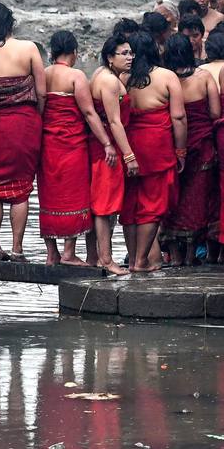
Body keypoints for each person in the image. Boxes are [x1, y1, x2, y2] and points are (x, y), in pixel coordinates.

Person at [0, 2, 44, 261]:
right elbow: (42, 91)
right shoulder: (28, 49)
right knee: (21, 189)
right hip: (25, 125)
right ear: (10, 23)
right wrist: (40, 118)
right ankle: (17, 248)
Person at [38, 31, 110, 265]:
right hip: (71, 145)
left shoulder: (43, 74)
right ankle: (69, 253)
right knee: (73, 196)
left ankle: (52, 253)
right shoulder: (76, 76)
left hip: (47, 145)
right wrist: (106, 142)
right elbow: (89, 113)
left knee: (49, 196)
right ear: (74, 52)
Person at [120, 31, 187, 272]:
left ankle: (133, 257)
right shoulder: (166, 76)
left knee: (130, 206)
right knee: (152, 205)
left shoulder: (121, 79)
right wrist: (181, 151)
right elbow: (178, 117)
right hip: (157, 148)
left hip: (128, 148)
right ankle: (140, 261)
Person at [161, 34, 219, 265]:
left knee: (172, 198)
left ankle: (173, 255)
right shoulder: (203, 77)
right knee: (196, 200)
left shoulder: (164, 79)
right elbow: (215, 112)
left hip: (171, 145)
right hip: (202, 145)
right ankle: (190, 254)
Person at [88, 35, 135, 275]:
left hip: (101, 145)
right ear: (110, 57)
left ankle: (98, 256)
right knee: (105, 207)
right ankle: (106, 259)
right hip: (108, 149)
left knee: (104, 203)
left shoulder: (100, 74)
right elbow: (115, 122)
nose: (129, 58)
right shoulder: (109, 81)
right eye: (124, 54)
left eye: (130, 53)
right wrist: (128, 155)